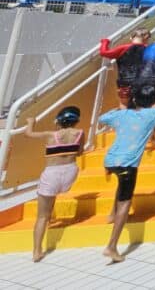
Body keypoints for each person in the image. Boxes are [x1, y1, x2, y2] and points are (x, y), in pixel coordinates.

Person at [99, 84, 155, 262]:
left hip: (110, 160)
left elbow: (103, 118)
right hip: (127, 165)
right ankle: (112, 246)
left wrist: (118, 110)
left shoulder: (123, 114)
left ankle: (111, 213)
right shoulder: (154, 114)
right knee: (125, 203)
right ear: (154, 101)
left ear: (134, 99)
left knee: (121, 184)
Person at [24, 106, 83, 262]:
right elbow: (79, 152)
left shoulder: (50, 134)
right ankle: (50, 216)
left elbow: (28, 134)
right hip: (70, 172)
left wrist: (30, 122)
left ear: (59, 121)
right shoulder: (80, 133)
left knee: (41, 216)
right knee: (52, 200)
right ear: (76, 121)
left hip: (52, 174)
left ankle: (37, 251)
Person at [99, 29, 149, 107]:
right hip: (142, 82)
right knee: (141, 104)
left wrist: (105, 42)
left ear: (131, 38)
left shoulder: (123, 48)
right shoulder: (149, 49)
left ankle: (124, 116)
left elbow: (104, 53)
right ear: (146, 39)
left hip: (124, 81)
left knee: (124, 103)